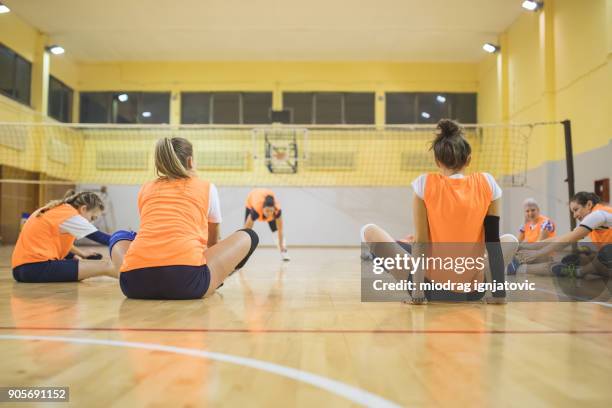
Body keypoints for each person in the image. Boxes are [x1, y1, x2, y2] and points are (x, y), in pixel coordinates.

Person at [361, 119, 518, 303]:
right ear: (469, 159)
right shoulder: (488, 183)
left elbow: (421, 242)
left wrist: (418, 294)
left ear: (437, 161)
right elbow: (492, 242)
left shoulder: (424, 184)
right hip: (474, 292)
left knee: (369, 231)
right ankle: (492, 290)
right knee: (510, 241)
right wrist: (499, 296)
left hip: (430, 289)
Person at [110, 137, 259, 300]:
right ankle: (217, 281)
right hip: (187, 282)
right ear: (190, 161)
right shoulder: (206, 187)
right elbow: (213, 241)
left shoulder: (146, 188)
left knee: (119, 236)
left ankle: (129, 266)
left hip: (133, 284)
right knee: (249, 235)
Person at [12, 190, 116, 282]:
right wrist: (128, 241)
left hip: (20, 270)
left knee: (79, 263)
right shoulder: (70, 216)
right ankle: (131, 278)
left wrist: (79, 254)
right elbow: (101, 238)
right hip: (36, 268)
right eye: (92, 218)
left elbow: (52, 243)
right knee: (105, 265)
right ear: (83, 209)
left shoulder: (57, 210)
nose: (91, 222)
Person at [517, 192, 611, 278]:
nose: (574, 216)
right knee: (575, 259)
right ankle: (595, 270)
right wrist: (523, 246)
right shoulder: (593, 220)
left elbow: (567, 240)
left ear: (589, 205)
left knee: (605, 251)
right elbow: (563, 237)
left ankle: (580, 272)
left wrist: (537, 253)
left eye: (576, 210)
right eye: (573, 212)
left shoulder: (597, 215)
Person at [244, 188, 289, 261]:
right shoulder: (256, 210)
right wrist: (246, 246)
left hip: (266, 194)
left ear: (274, 209)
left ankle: (284, 252)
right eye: (267, 211)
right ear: (263, 209)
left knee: (276, 230)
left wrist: (281, 245)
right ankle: (243, 254)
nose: (269, 213)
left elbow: (280, 230)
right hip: (252, 197)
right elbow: (246, 228)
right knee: (246, 231)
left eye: (271, 211)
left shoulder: (277, 211)